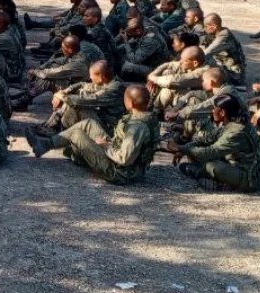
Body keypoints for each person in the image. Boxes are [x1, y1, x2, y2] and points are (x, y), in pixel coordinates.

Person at [25, 85, 160, 186]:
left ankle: (76, 153)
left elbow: (124, 159)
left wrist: (106, 146)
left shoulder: (137, 127)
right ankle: (47, 145)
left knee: (77, 135)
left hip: (121, 173)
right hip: (125, 161)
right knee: (89, 124)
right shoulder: (147, 117)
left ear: (130, 103)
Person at [167, 94, 260, 192]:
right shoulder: (233, 123)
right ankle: (209, 174)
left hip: (251, 178)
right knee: (197, 149)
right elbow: (206, 138)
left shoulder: (236, 132)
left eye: (214, 108)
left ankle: (200, 174)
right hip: (241, 165)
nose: (212, 111)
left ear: (222, 112)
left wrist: (180, 148)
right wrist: (184, 148)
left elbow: (210, 152)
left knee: (212, 166)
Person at [47, 60, 125, 134]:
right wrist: (64, 91)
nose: (90, 77)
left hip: (110, 129)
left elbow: (87, 100)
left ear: (101, 77)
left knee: (79, 107)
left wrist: (61, 96)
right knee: (75, 97)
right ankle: (51, 126)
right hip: (103, 119)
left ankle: (56, 129)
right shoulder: (108, 82)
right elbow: (82, 84)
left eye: (92, 75)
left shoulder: (115, 88)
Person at [117, 15, 169, 82]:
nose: (128, 33)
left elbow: (134, 60)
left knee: (126, 66)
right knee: (124, 51)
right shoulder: (147, 28)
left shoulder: (149, 41)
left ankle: (124, 83)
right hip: (153, 60)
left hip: (156, 68)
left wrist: (126, 41)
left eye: (130, 32)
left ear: (138, 31)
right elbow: (137, 39)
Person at [201, 13, 246, 84]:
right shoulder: (218, 32)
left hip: (234, 75)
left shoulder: (224, 36)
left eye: (206, 26)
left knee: (203, 70)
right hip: (225, 68)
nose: (204, 29)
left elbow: (208, 52)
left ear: (214, 26)